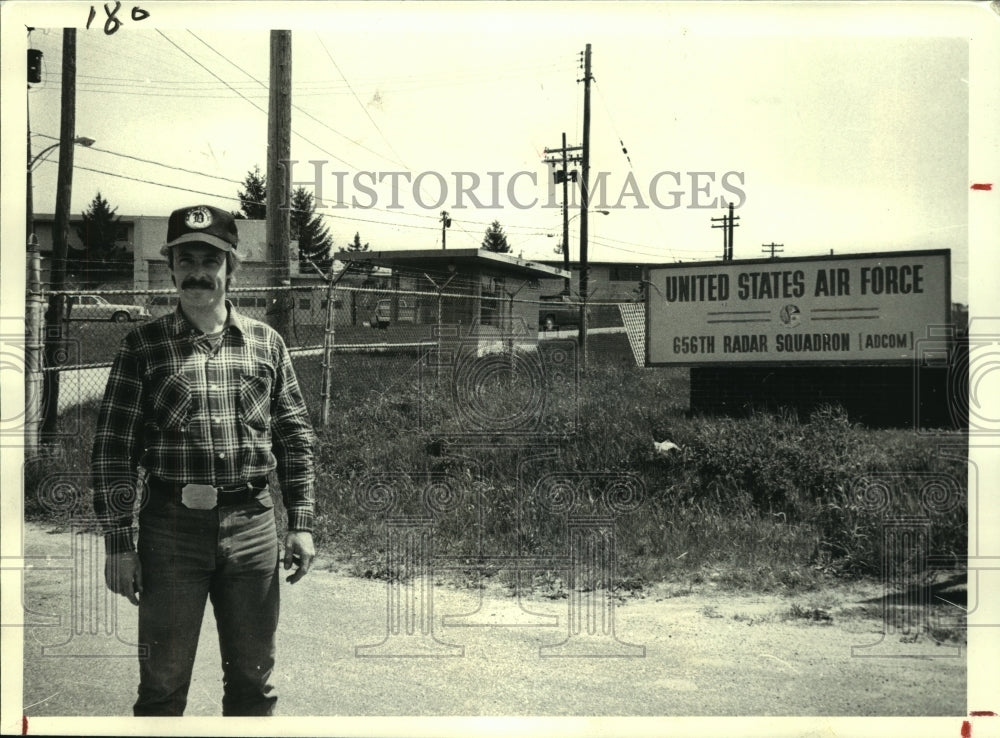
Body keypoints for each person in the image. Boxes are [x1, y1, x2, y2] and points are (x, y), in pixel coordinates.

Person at [91, 204, 316, 716]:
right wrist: (119, 544)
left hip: (252, 526)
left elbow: (296, 439)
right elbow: (113, 452)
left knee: (253, 681)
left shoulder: (266, 344)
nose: (198, 272)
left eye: (210, 261)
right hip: (171, 529)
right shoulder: (142, 347)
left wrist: (301, 523)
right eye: (186, 260)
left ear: (231, 268)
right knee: (163, 684)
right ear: (171, 268)